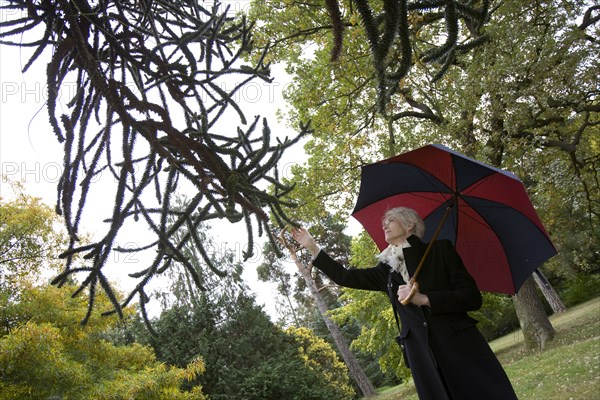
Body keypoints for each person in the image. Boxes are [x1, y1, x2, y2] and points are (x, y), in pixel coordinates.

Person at [291, 207, 518, 400]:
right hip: (421, 353)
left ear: (409, 225)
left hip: (458, 345)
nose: (384, 226)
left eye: (390, 220)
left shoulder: (440, 250)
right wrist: (312, 246)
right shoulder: (386, 269)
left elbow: (472, 298)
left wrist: (425, 299)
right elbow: (344, 277)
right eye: (383, 223)